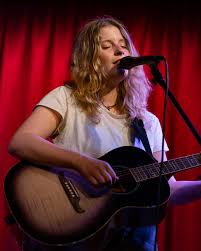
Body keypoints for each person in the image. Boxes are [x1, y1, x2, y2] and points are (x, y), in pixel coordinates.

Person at [8, 16, 201, 251]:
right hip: (76, 235)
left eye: (123, 44)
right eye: (107, 46)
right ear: (89, 59)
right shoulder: (67, 99)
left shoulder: (147, 121)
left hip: (133, 242)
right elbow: (21, 141)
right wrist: (81, 163)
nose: (120, 49)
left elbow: (170, 189)